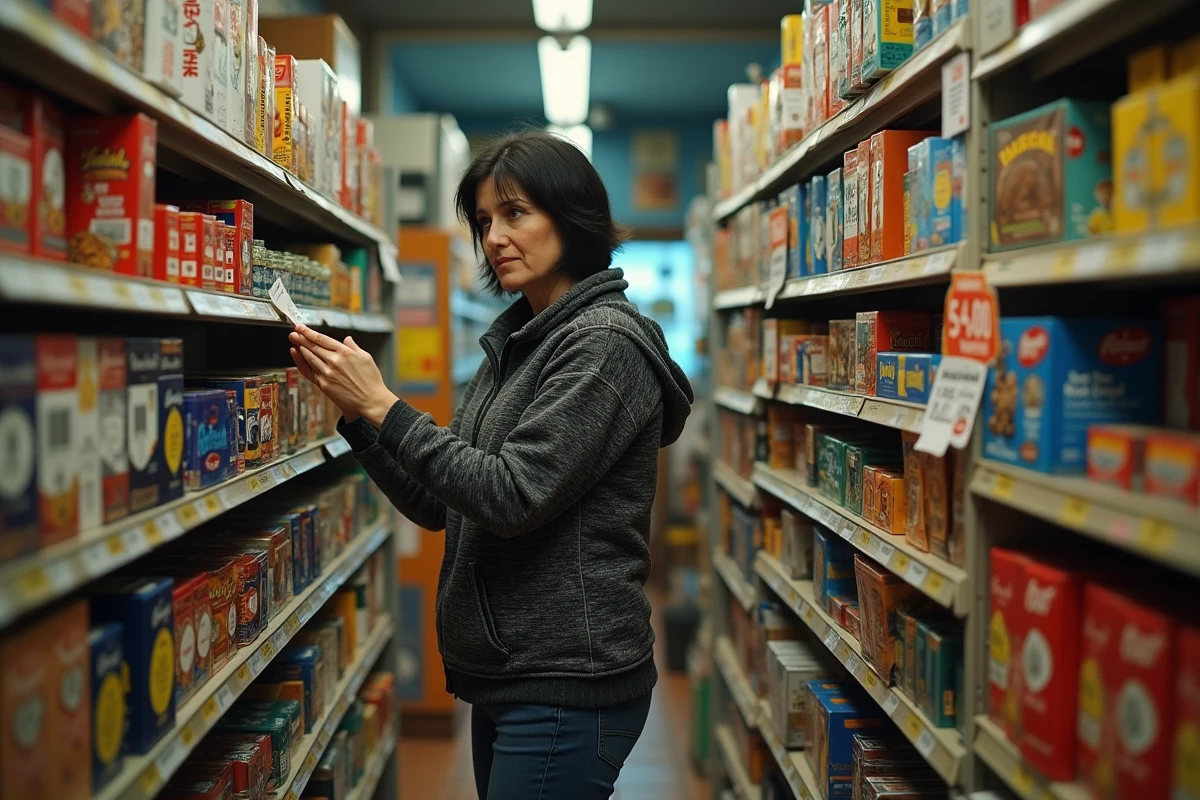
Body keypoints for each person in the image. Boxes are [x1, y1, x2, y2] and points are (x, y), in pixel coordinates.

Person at [288, 130, 694, 800]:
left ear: (572, 217)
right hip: (513, 670)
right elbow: (446, 501)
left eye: (515, 213)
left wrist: (386, 406)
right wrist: (360, 420)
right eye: (483, 221)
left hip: (568, 680)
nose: (494, 237)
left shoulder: (602, 345)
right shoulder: (515, 342)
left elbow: (510, 494)